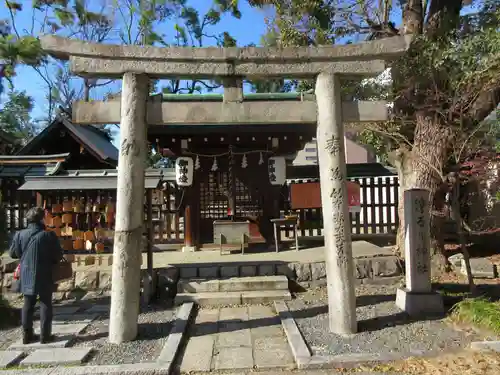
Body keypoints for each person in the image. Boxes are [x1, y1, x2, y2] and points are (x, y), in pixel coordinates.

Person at [9, 207, 63, 344]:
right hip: (44, 272)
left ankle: (26, 335)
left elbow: (12, 253)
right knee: (45, 303)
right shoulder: (48, 235)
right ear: (41, 219)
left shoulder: (20, 235)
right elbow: (58, 255)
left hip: (26, 272)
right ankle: (45, 336)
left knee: (28, 304)